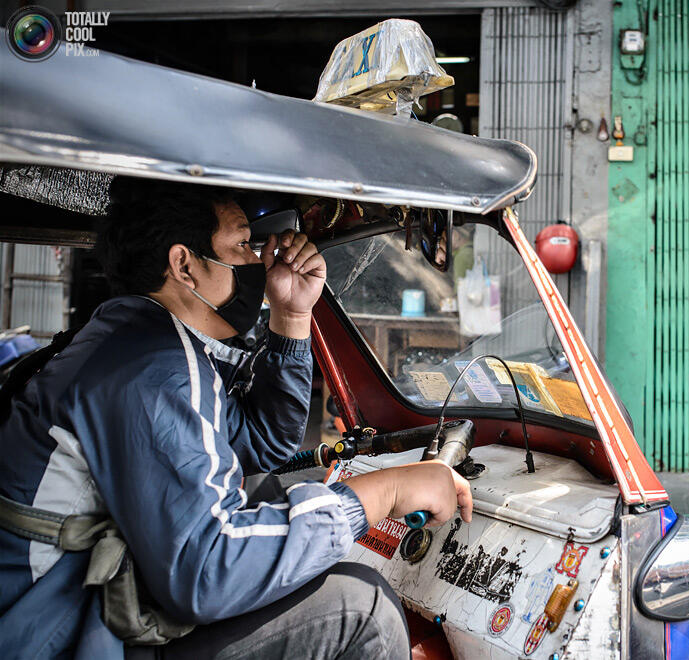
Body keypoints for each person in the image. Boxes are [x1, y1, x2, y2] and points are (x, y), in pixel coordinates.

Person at [0, 179, 473, 659]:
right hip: (56, 634)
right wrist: (382, 492)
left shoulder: (139, 339)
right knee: (361, 610)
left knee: (266, 493)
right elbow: (204, 571)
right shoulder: (155, 371)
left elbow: (261, 444)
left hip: (79, 611)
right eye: (244, 244)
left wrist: (291, 315)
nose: (260, 261)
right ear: (185, 265)